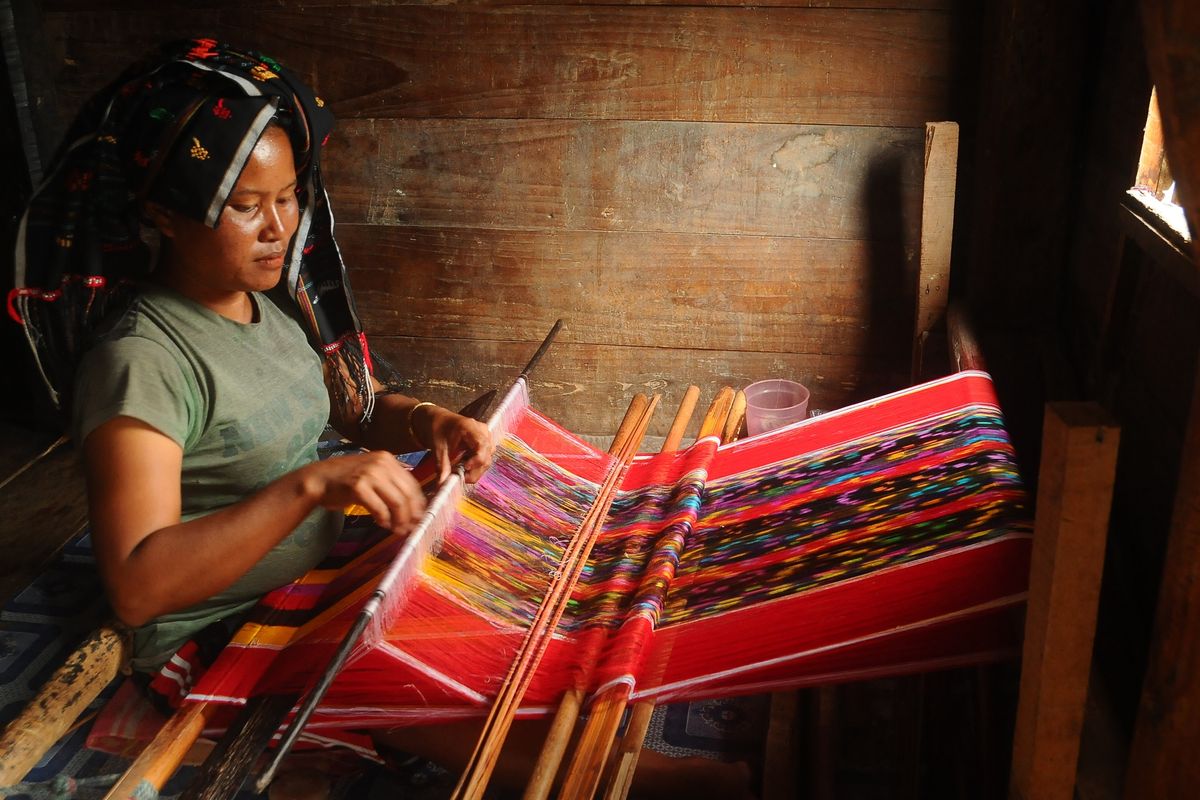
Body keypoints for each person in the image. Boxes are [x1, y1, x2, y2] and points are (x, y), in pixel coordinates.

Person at [11, 39, 752, 799]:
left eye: (290, 196)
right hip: (232, 630)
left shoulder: (264, 310)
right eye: (244, 206)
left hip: (324, 577)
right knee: (413, 695)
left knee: (502, 598)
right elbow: (137, 585)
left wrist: (427, 420)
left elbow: (354, 411)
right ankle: (684, 784)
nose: (278, 227)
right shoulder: (143, 361)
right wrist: (309, 489)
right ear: (164, 214)